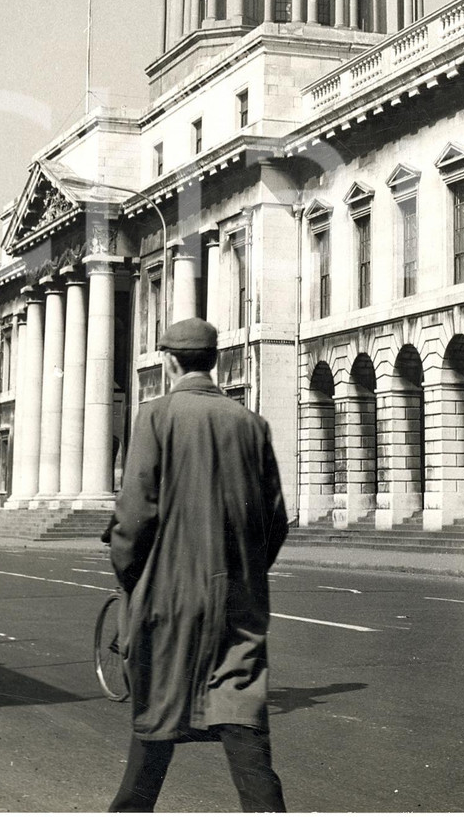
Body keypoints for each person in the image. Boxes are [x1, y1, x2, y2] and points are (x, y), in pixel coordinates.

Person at [108, 317, 288, 813]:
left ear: (169, 361)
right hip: (237, 597)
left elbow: (133, 518)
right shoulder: (252, 425)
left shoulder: (154, 416)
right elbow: (275, 522)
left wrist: (132, 577)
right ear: (213, 361)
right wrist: (245, 571)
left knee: (156, 718)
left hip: (168, 596)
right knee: (242, 715)